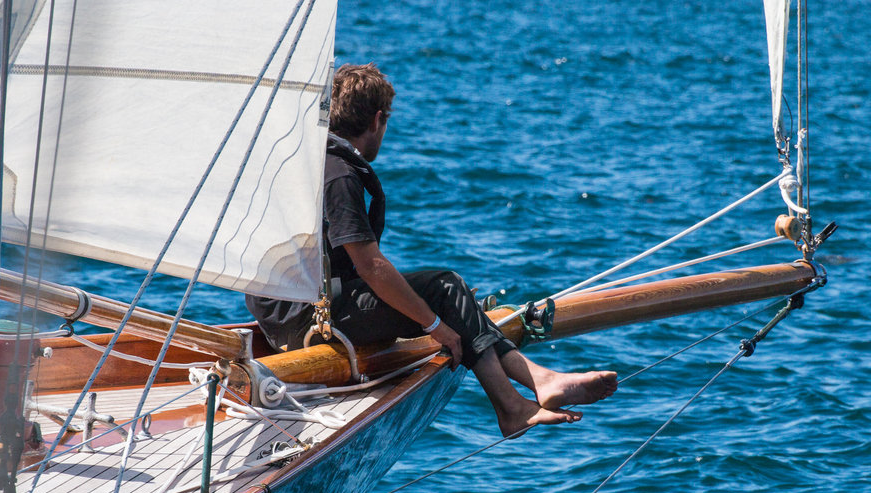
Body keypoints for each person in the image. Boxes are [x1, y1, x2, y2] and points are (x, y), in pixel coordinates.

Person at [247, 63, 617, 437]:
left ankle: (538, 382)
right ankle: (512, 404)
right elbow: (371, 266)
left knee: (450, 295)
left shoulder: (311, 160)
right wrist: (436, 325)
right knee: (445, 290)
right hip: (305, 321)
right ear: (377, 120)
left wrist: (437, 312)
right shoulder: (339, 174)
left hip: (287, 311)